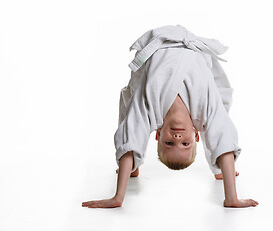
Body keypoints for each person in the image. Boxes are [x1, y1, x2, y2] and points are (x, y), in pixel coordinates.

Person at [82, 25, 258, 208]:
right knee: (220, 121)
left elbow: (131, 140)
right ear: (195, 135)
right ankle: (221, 169)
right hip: (195, 48)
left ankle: (132, 168)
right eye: (185, 143)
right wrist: (232, 198)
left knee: (130, 112)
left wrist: (118, 197)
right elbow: (224, 142)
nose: (177, 138)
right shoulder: (203, 110)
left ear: (158, 134)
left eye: (169, 143)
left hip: (159, 44)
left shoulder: (151, 109)